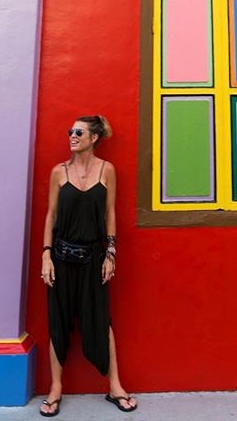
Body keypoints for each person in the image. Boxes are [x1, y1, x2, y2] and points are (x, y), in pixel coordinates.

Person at [39, 115, 137, 416]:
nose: (72, 135)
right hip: (61, 257)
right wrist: (45, 255)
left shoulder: (107, 171)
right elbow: (51, 216)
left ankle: (115, 386)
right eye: (70, 131)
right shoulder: (59, 172)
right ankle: (56, 388)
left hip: (94, 258)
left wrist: (110, 254)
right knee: (58, 321)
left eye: (78, 132)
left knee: (101, 319)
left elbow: (110, 214)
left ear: (94, 138)